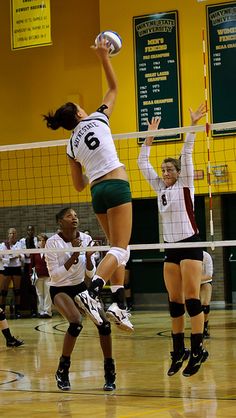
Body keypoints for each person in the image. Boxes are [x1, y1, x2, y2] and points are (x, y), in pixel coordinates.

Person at [43, 37, 133, 332]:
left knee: (116, 250)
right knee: (120, 248)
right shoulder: (98, 118)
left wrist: (87, 160)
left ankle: (119, 304)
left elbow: (78, 186)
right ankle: (93, 291)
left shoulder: (70, 144)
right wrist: (104, 56)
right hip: (117, 185)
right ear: (80, 114)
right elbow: (114, 88)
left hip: (97, 192)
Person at [138, 104, 208, 377]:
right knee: (174, 302)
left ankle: (198, 348)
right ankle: (179, 351)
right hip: (171, 249)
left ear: (178, 173)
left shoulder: (185, 184)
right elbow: (142, 163)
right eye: (164, 170)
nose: (165, 173)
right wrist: (150, 137)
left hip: (190, 244)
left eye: (170, 170)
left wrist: (191, 125)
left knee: (192, 300)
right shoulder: (159, 188)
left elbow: (187, 152)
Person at [45, 207, 116, 391]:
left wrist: (88, 257)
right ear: (60, 221)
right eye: (69, 216)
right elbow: (56, 277)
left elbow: (91, 274)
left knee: (104, 324)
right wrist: (75, 253)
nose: (74, 218)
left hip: (80, 286)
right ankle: (63, 369)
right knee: (76, 322)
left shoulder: (86, 238)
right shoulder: (52, 243)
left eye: (75, 216)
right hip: (59, 288)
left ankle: (109, 370)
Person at [1, 228, 24, 319]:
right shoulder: (3, 245)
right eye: (11, 233)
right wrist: (11, 258)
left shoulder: (19, 244)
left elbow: (23, 256)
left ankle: (17, 311)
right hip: (7, 268)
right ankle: (2, 310)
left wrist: (18, 256)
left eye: (14, 233)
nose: (12, 235)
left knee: (17, 291)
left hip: (16, 268)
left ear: (16, 234)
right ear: (8, 234)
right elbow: (1, 257)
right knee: (3, 291)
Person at [30, 234, 52, 318]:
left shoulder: (50, 251)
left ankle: (47, 311)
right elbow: (31, 265)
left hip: (48, 275)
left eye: (43, 240)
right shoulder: (34, 252)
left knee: (47, 293)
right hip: (38, 276)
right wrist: (30, 274)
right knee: (39, 294)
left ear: (46, 242)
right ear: (37, 242)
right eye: (40, 240)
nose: (41, 242)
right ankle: (41, 311)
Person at [19, 225, 38, 317]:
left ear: (34, 231)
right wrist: (26, 254)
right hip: (26, 266)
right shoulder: (22, 241)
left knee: (34, 288)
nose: (30, 232)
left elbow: (36, 252)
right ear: (27, 231)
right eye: (29, 230)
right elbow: (23, 255)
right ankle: (28, 309)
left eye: (32, 230)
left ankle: (35, 309)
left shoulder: (36, 240)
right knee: (27, 288)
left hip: (34, 265)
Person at [200, 251, 213, 338]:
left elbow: (209, 275)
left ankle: (204, 328)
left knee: (205, 306)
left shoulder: (206, 256)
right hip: (191, 282)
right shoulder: (185, 256)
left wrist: (196, 279)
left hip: (205, 281)